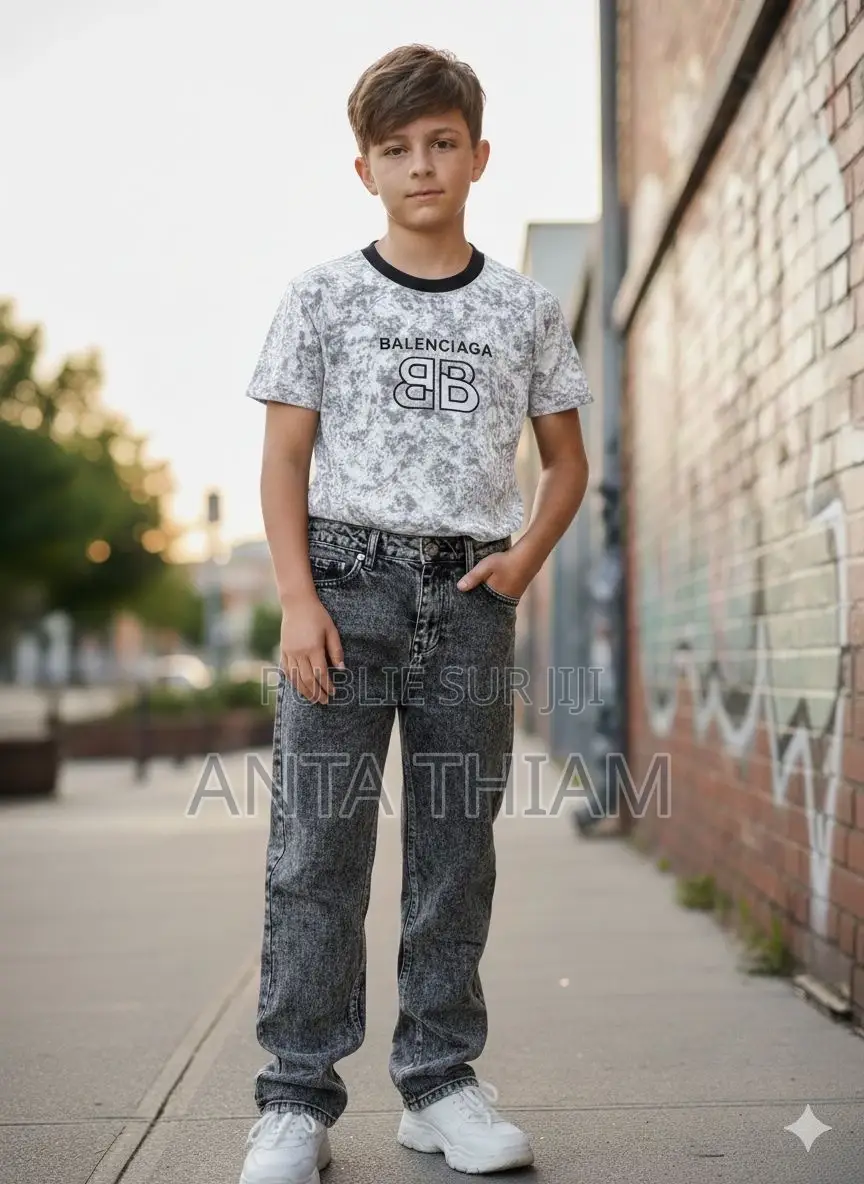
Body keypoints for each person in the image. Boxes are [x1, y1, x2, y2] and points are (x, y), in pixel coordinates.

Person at [238, 42, 593, 1184]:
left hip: (469, 600)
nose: (422, 165)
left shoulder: (524, 307)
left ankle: (439, 1083)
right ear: (366, 170)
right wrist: (297, 597)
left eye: (443, 143)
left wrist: (523, 562)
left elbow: (567, 462)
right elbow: (283, 459)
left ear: (479, 156)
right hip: (342, 590)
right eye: (396, 149)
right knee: (318, 850)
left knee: (454, 851)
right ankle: (295, 1098)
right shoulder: (322, 296)